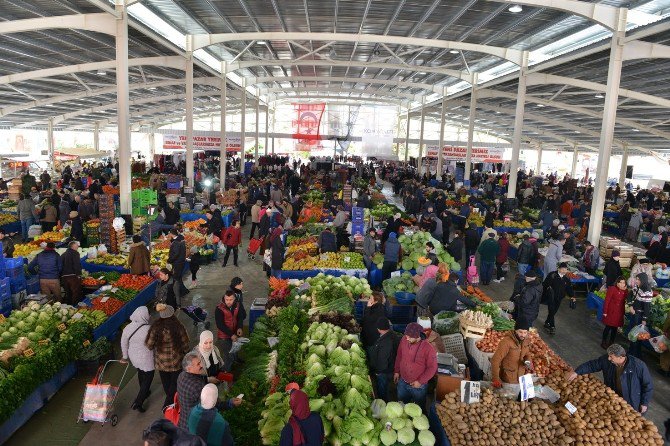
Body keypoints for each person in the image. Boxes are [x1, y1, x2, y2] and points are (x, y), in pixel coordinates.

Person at [567, 344, 653, 414]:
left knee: (631, 421)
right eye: (609, 356)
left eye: (611, 357)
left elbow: (648, 385)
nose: (609, 358)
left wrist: (644, 403)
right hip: (612, 396)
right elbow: (592, 365)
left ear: (621, 357)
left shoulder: (638, 366)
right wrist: (577, 372)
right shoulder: (607, 360)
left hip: (631, 400)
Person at [145, 303, 190, 409]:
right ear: (172, 315)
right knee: (175, 384)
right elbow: (185, 345)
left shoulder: (155, 328)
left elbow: (149, 345)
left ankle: (170, 404)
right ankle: (170, 403)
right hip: (176, 362)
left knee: (166, 384)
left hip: (161, 363)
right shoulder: (179, 327)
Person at [393, 323, 437, 411]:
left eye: (409, 336)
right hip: (403, 381)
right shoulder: (404, 340)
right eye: (406, 335)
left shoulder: (428, 348)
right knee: (401, 406)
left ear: (418, 336)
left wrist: (420, 381)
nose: (407, 338)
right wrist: (397, 371)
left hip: (418, 386)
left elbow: (432, 368)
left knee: (419, 409)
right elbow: (399, 355)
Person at [121, 306, 154, 413]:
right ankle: (138, 402)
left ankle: (145, 391)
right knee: (148, 377)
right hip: (146, 357)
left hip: (133, 357)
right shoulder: (148, 329)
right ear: (143, 315)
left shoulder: (127, 327)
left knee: (140, 371)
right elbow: (153, 344)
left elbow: (123, 343)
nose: (149, 315)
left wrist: (125, 356)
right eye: (148, 313)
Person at [491, 318, 533, 388]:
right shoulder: (506, 342)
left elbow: (527, 354)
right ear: (515, 331)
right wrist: (495, 379)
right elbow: (495, 360)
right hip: (508, 379)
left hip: (521, 378)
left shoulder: (526, 340)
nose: (523, 335)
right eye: (520, 332)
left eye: (525, 332)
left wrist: (528, 361)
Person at [177, 352, 209, 430]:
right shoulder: (197, 386)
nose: (201, 365)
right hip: (195, 425)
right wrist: (230, 403)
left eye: (200, 362)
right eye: (198, 364)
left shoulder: (181, 375)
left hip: (183, 422)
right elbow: (210, 405)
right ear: (189, 368)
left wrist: (207, 379)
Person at [368, 318, 397, 402]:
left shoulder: (386, 342)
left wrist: (378, 371)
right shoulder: (392, 335)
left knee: (383, 389)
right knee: (386, 386)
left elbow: (383, 360)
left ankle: (383, 403)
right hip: (390, 367)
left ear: (379, 329)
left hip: (384, 371)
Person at [215, 290, 244, 372]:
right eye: (226, 299)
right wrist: (231, 334)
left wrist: (239, 327)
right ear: (224, 298)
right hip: (224, 336)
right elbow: (220, 325)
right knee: (228, 356)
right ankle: (226, 372)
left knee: (235, 348)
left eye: (231, 299)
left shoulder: (238, 305)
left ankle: (236, 360)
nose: (228, 302)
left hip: (234, 332)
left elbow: (240, 318)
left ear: (234, 299)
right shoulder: (219, 308)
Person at [542, 262, 575, 335]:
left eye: (566, 269)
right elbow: (545, 284)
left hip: (559, 298)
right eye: (563, 269)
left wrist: (572, 296)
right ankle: (552, 326)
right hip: (551, 297)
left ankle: (547, 322)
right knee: (551, 310)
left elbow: (569, 288)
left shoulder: (566, 278)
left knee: (553, 312)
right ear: (559, 269)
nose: (564, 271)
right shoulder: (552, 275)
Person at [628, 272, 654, 358]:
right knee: (632, 334)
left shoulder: (647, 291)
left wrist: (644, 320)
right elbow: (631, 294)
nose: (636, 281)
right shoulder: (637, 287)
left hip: (639, 316)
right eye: (636, 279)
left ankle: (635, 355)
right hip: (634, 313)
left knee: (637, 336)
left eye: (638, 279)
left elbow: (647, 307)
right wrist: (631, 305)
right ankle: (631, 352)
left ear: (643, 280)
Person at [602, 276, 628, 349]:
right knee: (608, 327)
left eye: (624, 283)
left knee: (615, 328)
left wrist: (625, 291)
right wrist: (605, 311)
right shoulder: (612, 289)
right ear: (617, 283)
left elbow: (626, 299)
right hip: (611, 312)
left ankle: (611, 342)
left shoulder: (625, 291)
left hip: (619, 312)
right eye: (620, 282)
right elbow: (607, 301)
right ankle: (603, 342)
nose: (622, 284)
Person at [60, 240, 83, 305]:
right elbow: (76, 264)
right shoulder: (75, 253)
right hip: (72, 276)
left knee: (68, 293)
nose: (77, 248)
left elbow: (60, 266)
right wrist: (79, 274)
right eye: (76, 246)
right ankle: (75, 306)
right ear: (72, 246)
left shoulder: (63, 254)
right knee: (75, 293)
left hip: (64, 277)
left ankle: (69, 306)